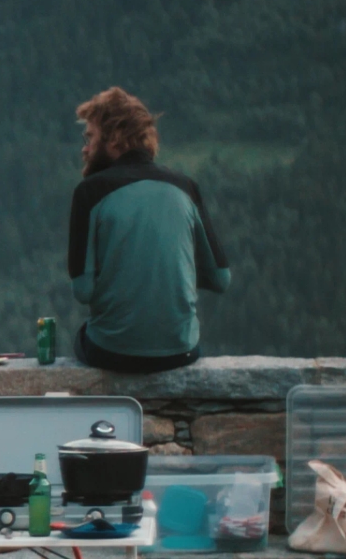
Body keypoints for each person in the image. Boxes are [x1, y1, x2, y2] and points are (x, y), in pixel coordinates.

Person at [68, 87, 231, 373]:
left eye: (90, 137)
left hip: (111, 353)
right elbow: (220, 279)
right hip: (180, 352)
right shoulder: (185, 187)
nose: (85, 148)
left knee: (83, 337)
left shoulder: (89, 193)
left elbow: (83, 290)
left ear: (114, 138)